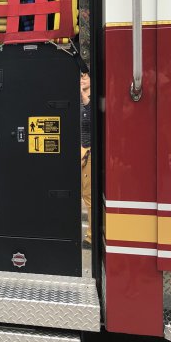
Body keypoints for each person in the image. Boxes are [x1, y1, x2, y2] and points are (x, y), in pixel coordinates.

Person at [80, 72, 92, 245]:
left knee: (88, 196)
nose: (82, 79)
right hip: (75, 150)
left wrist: (85, 98)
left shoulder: (92, 100)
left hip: (88, 151)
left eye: (85, 76)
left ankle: (91, 236)